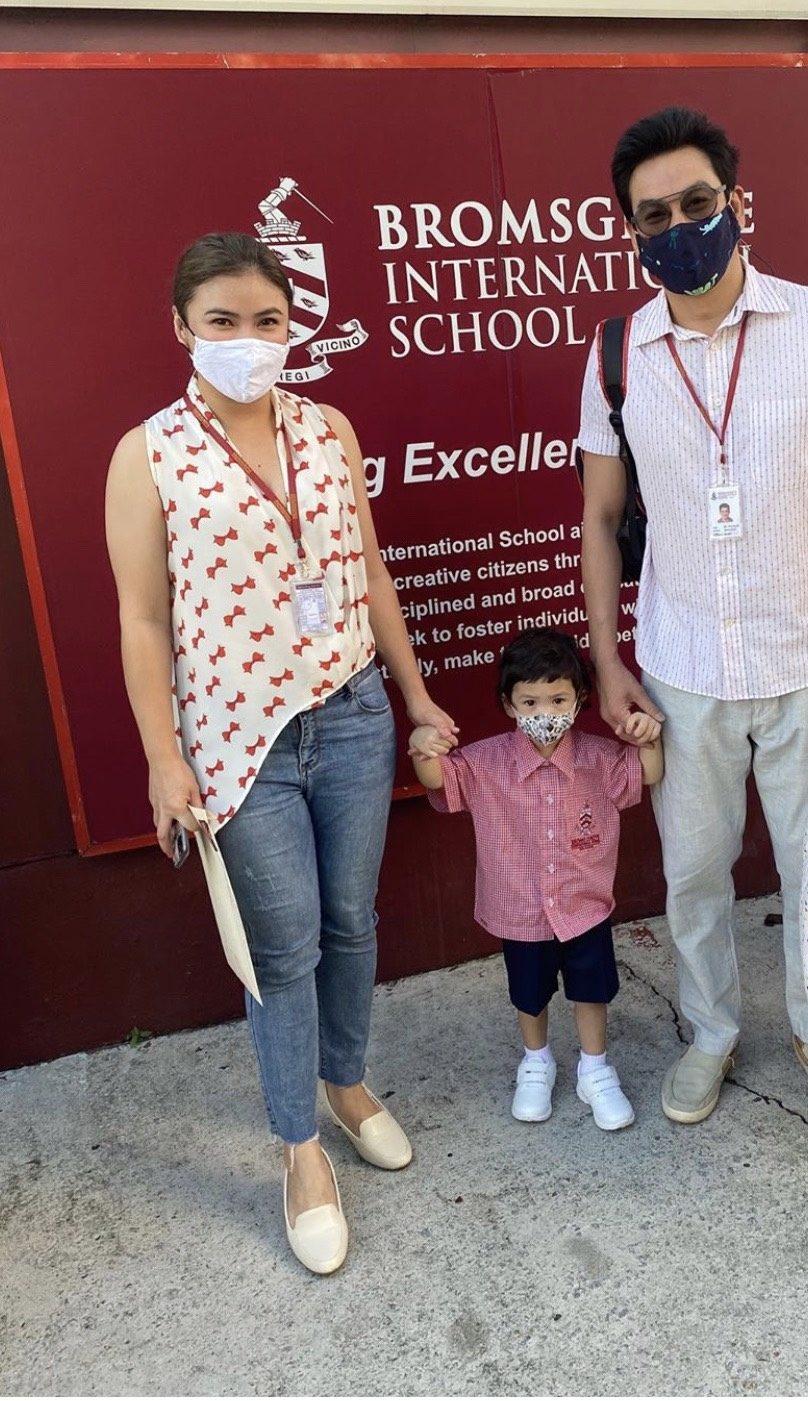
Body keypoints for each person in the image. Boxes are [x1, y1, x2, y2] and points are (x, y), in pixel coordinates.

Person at [105, 232, 456, 1275]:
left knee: (351, 921)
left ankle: (344, 1084)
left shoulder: (327, 427)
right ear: (181, 327)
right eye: (223, 320)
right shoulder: (147, 455)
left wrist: (415, 695)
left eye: (267, 320)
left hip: (350, 715)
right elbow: (142, 620)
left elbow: (371, 572)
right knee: (281, 947)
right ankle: (300, 1149)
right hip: (238, 739)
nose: (248, 339)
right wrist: (163, 758)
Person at [578, 107, 808, 1127]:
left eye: (697, 202)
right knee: (694, 876)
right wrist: (608, 663)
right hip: (682, 668)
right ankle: (711, 1032)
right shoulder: (618, 356)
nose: (679, 226)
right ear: (631, 231)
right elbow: (599, 518)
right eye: (654, 215)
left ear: (735, 201)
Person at [409, 629, 663, 1130]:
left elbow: (647, 774)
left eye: (558, 699)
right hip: (519, 908)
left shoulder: (599, 758)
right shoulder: (484, 762)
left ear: (580, 699)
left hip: (584, 905)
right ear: (509, 705)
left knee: (592, 988)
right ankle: (536, 1060)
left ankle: (595, 1067)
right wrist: (422, 748)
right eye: (530, 701)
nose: (544, 711)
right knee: (529, 991)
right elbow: (440, 780)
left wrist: (647, 738)